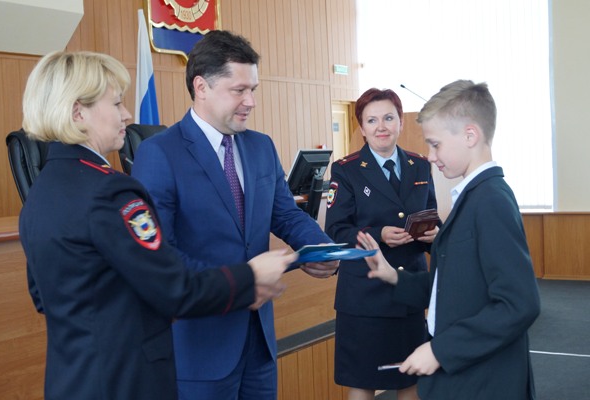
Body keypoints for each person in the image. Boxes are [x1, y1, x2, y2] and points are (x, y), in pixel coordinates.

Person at [18, 50, 295, 400]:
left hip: (71, 381)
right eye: (116, 103)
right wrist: (250, 277)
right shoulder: (110, 192)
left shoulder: (41, 191)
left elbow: (42, 296)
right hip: (125, 381)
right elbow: (174, 288)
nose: (127, 114)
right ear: (78, 113)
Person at [131, 30, 339, 400]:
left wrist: (321, 248)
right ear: (201, 87)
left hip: (259, 344)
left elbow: (285, 215)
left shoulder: (261, 146)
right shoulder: (159, 153)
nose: (251, 102)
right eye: (239, 90)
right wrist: (242, 282)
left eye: (253, 89)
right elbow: (161, 255)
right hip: (200, 349)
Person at [357, 80, 541, 399]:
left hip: (485, 383)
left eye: (436, 144)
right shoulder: (473, 197)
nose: (430, 156)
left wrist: (440, 351)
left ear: (470, 136)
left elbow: (519, 304)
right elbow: (455, 284)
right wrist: (394, 277)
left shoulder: (491, 201)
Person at [324, 88, 439, 400]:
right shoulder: (346, 169)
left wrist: (435, 236)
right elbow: (336, 230)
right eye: (372, 120)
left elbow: (431, 216)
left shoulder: (420, 165)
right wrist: (378, 234)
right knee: (363, 381)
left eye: (388, 118)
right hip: (364, 294)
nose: (381, 127)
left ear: (401, 122)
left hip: (409, 289)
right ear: (362, 128)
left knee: (410, 377)